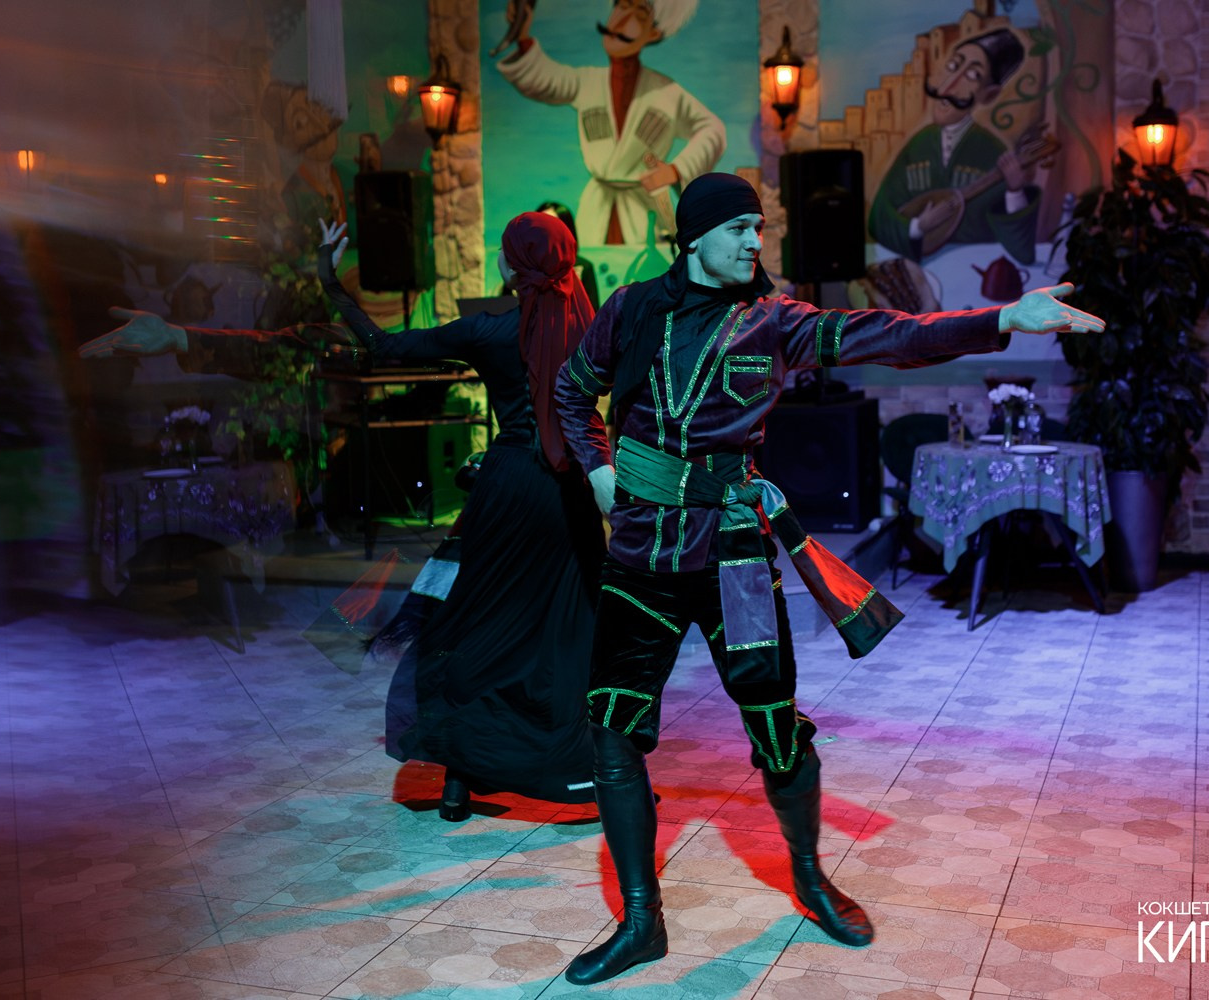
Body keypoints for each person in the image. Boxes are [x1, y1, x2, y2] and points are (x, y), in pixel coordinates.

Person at [553, 172, 1104, 984]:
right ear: (694, 236)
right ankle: (641, 921)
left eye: (759, 227)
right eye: (739, 227)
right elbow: (572, 392)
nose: (755, 241)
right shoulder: (633, 311)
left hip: (736, 558)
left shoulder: (776, 322)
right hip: (640, 557)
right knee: (612, 729)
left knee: (776, 731)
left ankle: (810, 878)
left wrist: (1001, 320)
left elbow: (894, 335)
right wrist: (599, 471)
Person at [81, 212, 607, 820]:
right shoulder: (593, 330)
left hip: (508, 489)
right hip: (569, 489)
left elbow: (379, 346)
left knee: (469, 628)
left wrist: (330, 280)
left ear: (514, 266)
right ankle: (571, 765)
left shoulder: (489, 331)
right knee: (569, 630)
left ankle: (460, 778)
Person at [496, 0, 725, 246]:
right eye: (622, 6)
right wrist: (522, 35)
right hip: (597, 209)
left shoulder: (667, 93)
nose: (622, 20)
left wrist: (675, 171)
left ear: (654, 32)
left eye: (639, 13)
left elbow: (713, 129)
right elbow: (545, 78)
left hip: (643, 210)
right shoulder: (587, 82)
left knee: (648, 264)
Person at [868, 27, 1043, 265]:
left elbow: (1021, 251)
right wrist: (917, 227)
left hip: (974, 273)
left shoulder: (992, 151)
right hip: (919, 271)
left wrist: (1015, 191)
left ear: (989, 95)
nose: (948, 86)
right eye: (952, 66)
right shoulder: (919, 144)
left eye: (972, 75)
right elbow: (880, 218)